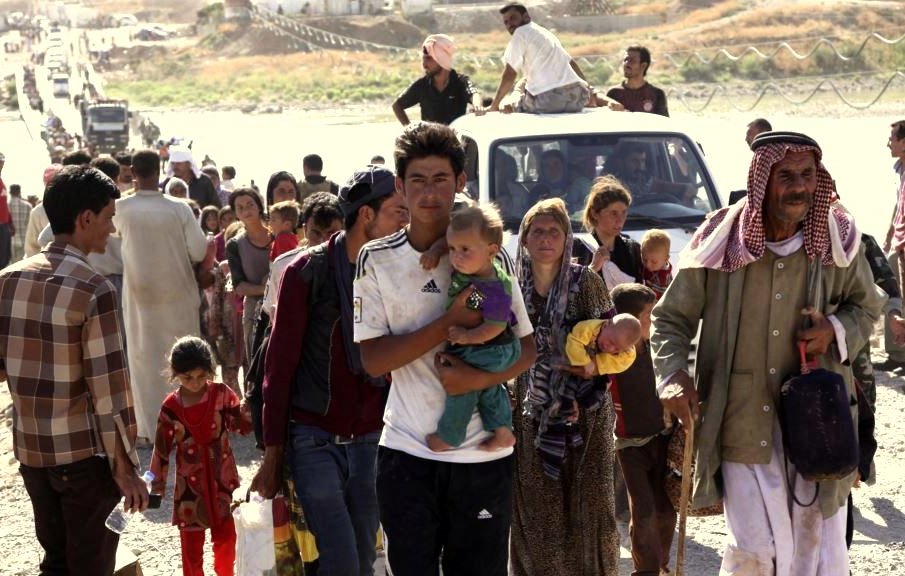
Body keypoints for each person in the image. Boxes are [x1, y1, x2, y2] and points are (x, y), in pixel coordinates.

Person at [652, 131, 885, 575]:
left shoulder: (836, 239)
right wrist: (673, 374)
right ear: (762, 180)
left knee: (817, 544)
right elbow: (670, 318)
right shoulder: (722, 239)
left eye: (807, 175)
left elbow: (867, 306)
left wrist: (835, 329)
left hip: (818, 421)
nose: (799, 187)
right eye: (786, 176)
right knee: (753, 548)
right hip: (742, 420)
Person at [354, 122, 537, 575]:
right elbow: (373, 361)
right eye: (417, 179)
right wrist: (448, 322)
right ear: (400, 186)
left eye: (441, 178)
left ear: (460, 181)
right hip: (406, 452)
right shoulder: (376, 258)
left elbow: (526, 349)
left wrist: (475, 379)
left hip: (482, 456)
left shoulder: (491, 256)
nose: (429, 191)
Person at [251, 165, 408, 575]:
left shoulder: (396, 270)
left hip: (373, 439)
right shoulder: (307, 272)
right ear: (367, 215)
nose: (406, 221)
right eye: (398, 211)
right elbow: (278, 369)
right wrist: (273, 454)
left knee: (363, 556)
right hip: (315, 440)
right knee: (342, 561)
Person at [0, 165, 148, 575]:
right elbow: (109, 391)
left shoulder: (7, 280)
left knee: (56, 562)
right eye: (108, 218)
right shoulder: (94, 289)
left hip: (32, 454)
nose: (111, 229)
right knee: (91, 566)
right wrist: (125, 467)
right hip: (83, 459)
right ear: (85, 218)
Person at [509, 197, 619, 575]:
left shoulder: (585, 282)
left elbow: (614, 348)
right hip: (530, 411)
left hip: (586, 411)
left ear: (567, 238)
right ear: (524, 238)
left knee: (591, 509)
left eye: (554, 231)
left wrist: (584, 392)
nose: (545, 239)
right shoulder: (509, 287)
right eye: (537, 231)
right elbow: (491, 337)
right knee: (538, 511)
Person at [116, 149, 210, 442]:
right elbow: (199, 251)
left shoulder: (119, 209)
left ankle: (150, 429)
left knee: (144, 363)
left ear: (133, 172)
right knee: (185, 359)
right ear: (160, 171)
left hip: (139, 299)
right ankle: (189, 423)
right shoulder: (179, 209)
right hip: (178, 296)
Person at [150, 336, 251, 576]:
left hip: (222, 485)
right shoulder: (170, 408)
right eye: (188, 378)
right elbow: (161, 451)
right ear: (176, 375)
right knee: (191, 552)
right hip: (189, 492)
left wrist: (250, 410)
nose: (195, 383)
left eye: (201, 376)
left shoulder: (222, 395)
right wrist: (155, 487)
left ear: (209, 371)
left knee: (226, 542)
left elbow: (241, 425)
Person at [424, 204, 520, 452]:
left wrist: (467, 337)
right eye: (452, 249)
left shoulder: (493, 287)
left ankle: (450, 435)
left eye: (465, 250)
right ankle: (503, 432)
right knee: (488, 388)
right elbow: (451, 240)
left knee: (463, 385)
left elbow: (495, 326)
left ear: (492, 251)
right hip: (492, 347)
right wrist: (436, 251)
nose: (456, 256)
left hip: (491, 346)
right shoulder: (476, 268)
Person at [609, 283, 677, 576]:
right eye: (649, 314)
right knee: (644, 511)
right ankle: (645, 571)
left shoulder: (656, 348)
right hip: (630, 445)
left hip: (662, 438)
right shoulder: (614, 357)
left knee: (665, 510)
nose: (654, 319)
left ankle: (660, 564)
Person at [489, 3, 591, 114]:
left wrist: (494, 105)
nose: (509, 24)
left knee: (513, 102)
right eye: (506, 22)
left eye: (513, 18)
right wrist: (590, 92)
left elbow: (510, 74)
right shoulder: (545, 33)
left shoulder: (521, 32)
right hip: (577, 98)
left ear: (526, 16)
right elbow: (571, 63)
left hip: (549, 100)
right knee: (524, 82)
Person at [226, 188, 273, 369]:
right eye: (240, 207)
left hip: (283, 304)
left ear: (259, 206)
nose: (246, 210)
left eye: (250, 204)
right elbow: (239, 286)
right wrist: (268, 288)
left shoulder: (278, 235)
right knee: (257, 362)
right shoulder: (235, 245)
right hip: (254, 311)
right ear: (236, 213)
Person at [393, 34, 483, 126]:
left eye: (429, 58)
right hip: (431, 135)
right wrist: (409, 128)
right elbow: (397, 105)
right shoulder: (422, 85)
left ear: (441, 59)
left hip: (455, 134)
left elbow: (474, 94)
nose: (424, 64)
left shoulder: (460, 82)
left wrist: (477, 106)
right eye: (423, 59)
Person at [574, 175, 644, 284]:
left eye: (624, 213)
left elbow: (644, 289)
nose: (620, 220)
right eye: (613, 213)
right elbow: (569, 289)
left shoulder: (633, 250)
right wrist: (593, 268)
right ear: (595, 213)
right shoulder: (579, 249)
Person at [880, 119, 905, 371]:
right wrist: (890, 235)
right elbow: (899, 206)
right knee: (892, 291)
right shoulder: (900, 169)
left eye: (892, 139)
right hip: (899, 243)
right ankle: (897, 355)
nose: (888, 144)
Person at [565, 313, 640, 378]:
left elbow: (623, 362)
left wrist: (594, 365)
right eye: (610, 341)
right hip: (572, 342)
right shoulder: (590, 327)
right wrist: (585, 362)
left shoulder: (627, 353)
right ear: (605, 325)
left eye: (617, 349)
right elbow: (574, 340)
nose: (610, 348)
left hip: (592, 358)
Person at [604, 46, 669, 117]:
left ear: (643, 66)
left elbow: (663, 122)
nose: (626, 64)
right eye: (625, 60)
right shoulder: (613, 93)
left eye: (632, 61)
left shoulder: (657, 94)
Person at [640, 228, 673, 299]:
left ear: (666, 259)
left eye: (654, 262)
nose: (648, 265)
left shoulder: (664, 281)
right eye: (644, 260)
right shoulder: (647, 265)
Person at [8, 183, 32, 263]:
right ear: (19, 192)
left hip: (9, 241)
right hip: (24, 240)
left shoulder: (5, 206)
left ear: (10, 192)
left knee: (9, 266)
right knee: (21, 264)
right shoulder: (28, 206)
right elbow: (30, 225)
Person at [0, 151, 12, 268]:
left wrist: (10, 221)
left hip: (4, 224)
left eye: (2, 162)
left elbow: (3, 204)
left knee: (5, 259)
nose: (1, 165)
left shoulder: (1, 181)